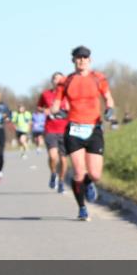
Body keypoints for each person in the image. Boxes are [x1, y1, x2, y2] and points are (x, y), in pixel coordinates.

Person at [52, 46, 115, 221]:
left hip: (94, 128)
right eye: (78, 58)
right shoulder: (66, 81)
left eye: (85, 58)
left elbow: (108, 97)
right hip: (74, 129)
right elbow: (56, 105)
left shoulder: (98, 78)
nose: (82, 61)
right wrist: (59, 111)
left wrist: (109, 109)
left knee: (95, 174)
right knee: (79, 172)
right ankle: (82, 208)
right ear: (73, 61)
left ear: (90, 60)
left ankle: (88, 184)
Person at [37, 72, 70, 194]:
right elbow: (39, 107)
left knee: (64, 160)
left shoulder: (68, 95)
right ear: (52, 81)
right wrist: (44, 110)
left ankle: (61, 182)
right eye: (55, 78)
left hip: (65, 130)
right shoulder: (45, 94)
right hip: (50, 129)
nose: (58, 81)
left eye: (60, 79)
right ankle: (53, 173)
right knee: (52, 156)